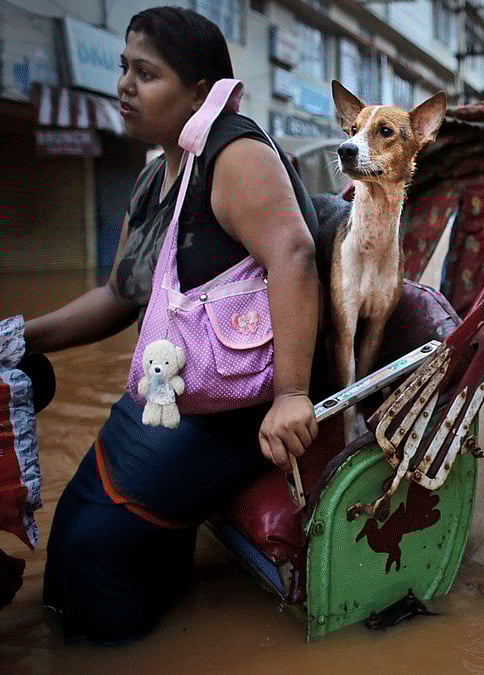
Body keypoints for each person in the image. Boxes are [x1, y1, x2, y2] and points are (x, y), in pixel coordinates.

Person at [20, 7, 321, 644]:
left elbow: (293, 254)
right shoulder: (159, 173)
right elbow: (120, 294)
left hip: (238, 406)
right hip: (172, 391)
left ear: (198, 91)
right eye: (126, 68)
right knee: (73, 526)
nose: (125, 84)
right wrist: (20, 336)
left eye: (146, 73)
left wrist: (293, 394)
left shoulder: (234, 151)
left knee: (99, 545)